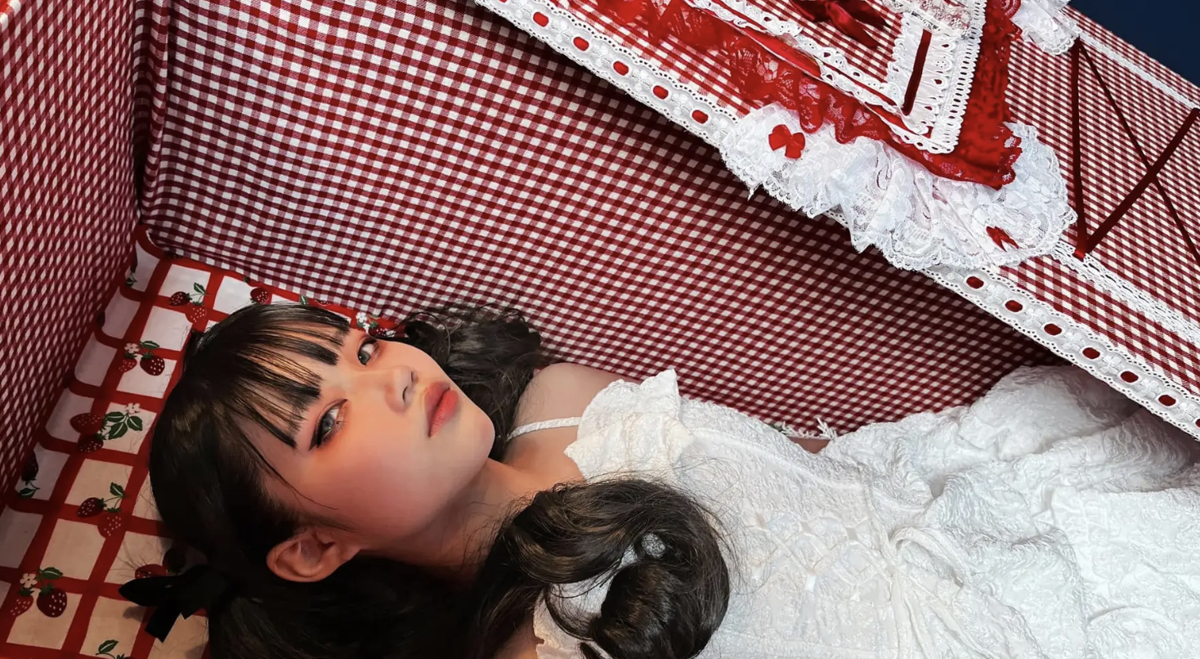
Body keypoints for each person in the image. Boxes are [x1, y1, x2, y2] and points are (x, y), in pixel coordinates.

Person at [122, 301, 1200, 659]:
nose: (393, 375)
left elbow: (805, 468)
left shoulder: (559, 397)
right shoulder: (536, 645)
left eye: (362, 348)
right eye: (329, 419)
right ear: (314, 546)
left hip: (973, 527)